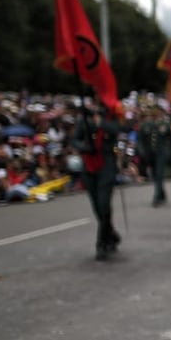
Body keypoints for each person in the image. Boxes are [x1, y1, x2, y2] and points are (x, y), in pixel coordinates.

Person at [72, 103, 121, 260]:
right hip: (90, 166)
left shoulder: (110, 117)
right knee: (97, 207)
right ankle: (111, 233)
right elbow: (75, 139)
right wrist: (84, 147)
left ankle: (101, 243)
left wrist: (101, 123)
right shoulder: (84, 119)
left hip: (106, 164)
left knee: (104, 203)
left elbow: (117, 131)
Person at [138, 105, 171, 207]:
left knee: (159, 174)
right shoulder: (145, 125)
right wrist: (142, 152)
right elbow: (140, 140)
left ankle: (157, 197)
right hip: (150, 154)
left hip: (161, 153)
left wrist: (170, 152)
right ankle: (161, 193)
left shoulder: (164, 124)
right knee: (154, 175)